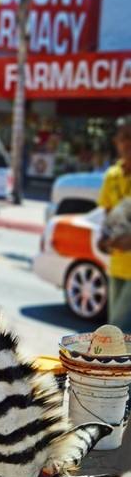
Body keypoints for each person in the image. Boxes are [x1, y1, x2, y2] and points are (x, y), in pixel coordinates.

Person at [98, 115, 131, 331]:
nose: (128, 143)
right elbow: (108, 218)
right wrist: (105, 240)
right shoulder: (112, 175)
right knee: (117, 330)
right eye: (124, 137)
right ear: (116, 142)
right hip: (118, 264)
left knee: (118, 328)